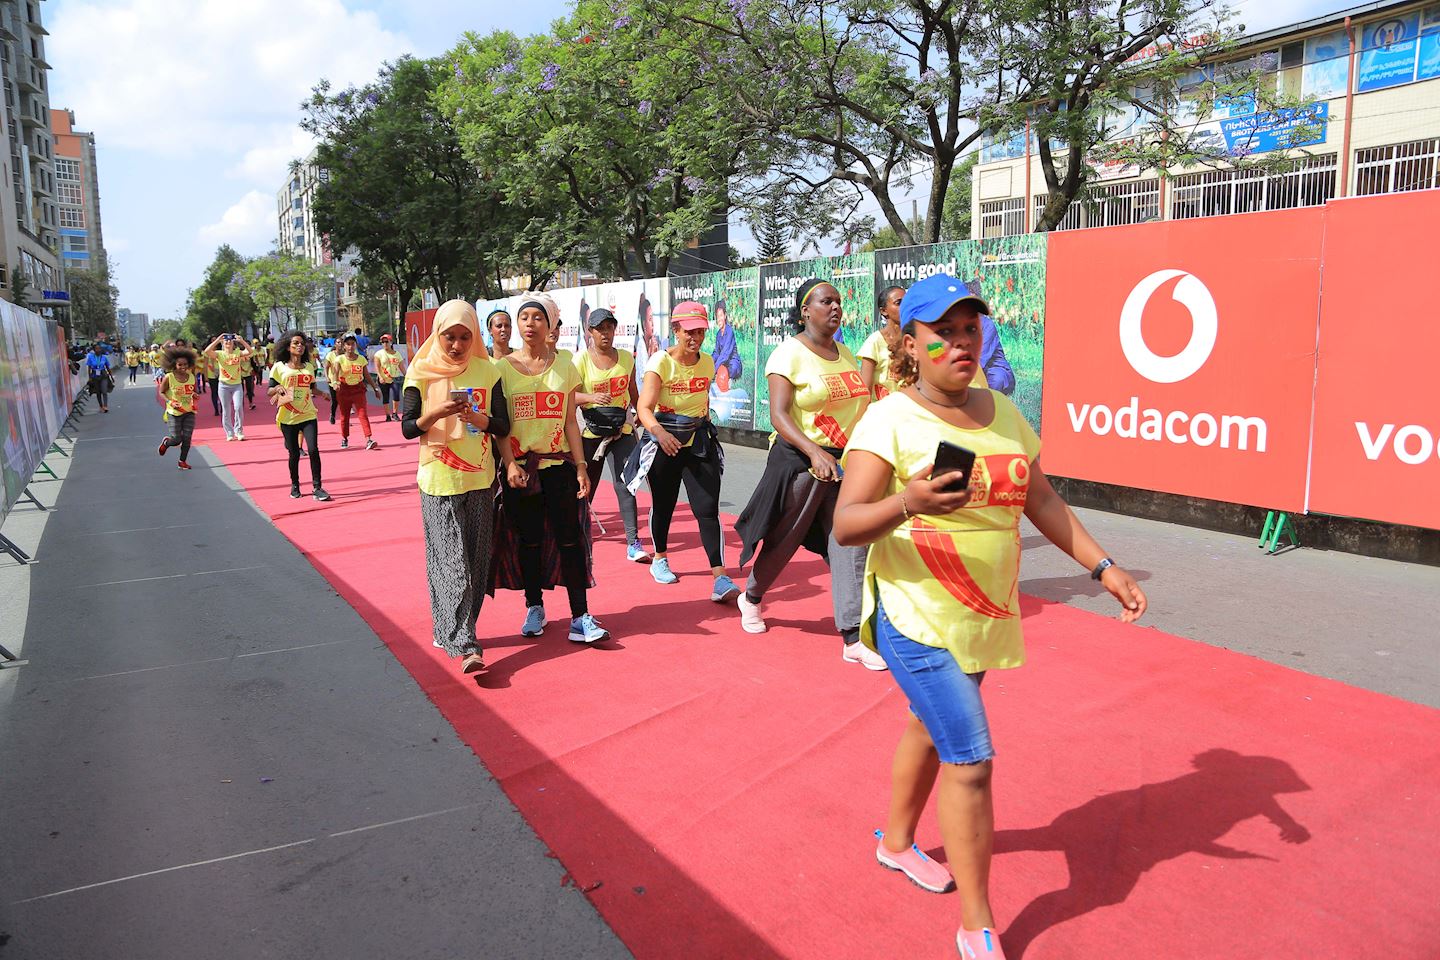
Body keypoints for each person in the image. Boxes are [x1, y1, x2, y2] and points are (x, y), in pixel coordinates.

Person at [832, 272, 1147, 960]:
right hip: (915, 618)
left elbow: (1042, 501)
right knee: (970, 760)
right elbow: (847, 523)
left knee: (928, 724)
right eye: (942, 334)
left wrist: (1103, 566)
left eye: (969, 329)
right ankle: (978, 924)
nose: (960, 344)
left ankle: (893, 843)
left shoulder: (1003, 411)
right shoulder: (888, 418)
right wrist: (908, 502)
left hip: (982, 615)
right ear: (908, 345)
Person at [734, 279, 884, 669]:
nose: (835, 307)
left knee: (848, 541)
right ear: (805, 310)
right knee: (785, 540)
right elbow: (779, 415)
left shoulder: (847, 354)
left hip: (844, 464)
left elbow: (860, 408)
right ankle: (751, 598)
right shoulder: (788, 354)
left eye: (838, 301)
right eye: (825, 301)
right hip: (800, 462)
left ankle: (852, 635)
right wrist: (814, 451)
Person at [400, 300, 509, 675]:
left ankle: (452, 625)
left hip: (480, 477)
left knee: (477, 561)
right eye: (450, 337)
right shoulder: (421, 370)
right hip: (438, 478)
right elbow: (408, 427)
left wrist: (474, 416)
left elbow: (502, 425)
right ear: (438, 334)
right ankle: (466, 643)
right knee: (451, 560)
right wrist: (437, 413)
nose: (457, 345)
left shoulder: (488, 370)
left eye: (465, 337)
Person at [495, 292, 609, 645]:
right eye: (525, 317)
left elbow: (571, 422)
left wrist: (580, 466)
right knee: (527, 542)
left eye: (538, 317)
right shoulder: (500, 369)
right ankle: (534, 606)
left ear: (551, 325)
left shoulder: (565, 365)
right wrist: (510, 463)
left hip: (559, 465)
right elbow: (499, 425)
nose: (531, 324)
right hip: (521, 471)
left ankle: (580, 616)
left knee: (570, 540)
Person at [626, 300, 739, 600]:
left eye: (700, 332)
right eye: (689, 331)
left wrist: (703, 423)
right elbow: (644, 407)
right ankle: (660, 558)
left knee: (707, 508)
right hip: (665, 443)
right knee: (664, 505)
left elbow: (703, 398)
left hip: (698, 442)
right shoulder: (660, 362)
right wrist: (660, 434)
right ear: (675, 330)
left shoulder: (707, 362)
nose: (695, 338)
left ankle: (720, 577)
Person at [573, 307, 645, 562]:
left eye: (609, 327)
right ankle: (579, 534)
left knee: (626, 483)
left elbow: (634, 392)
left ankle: (633, 542)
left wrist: (643, 413)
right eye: (599, 328)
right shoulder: (580, 360)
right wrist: (591, 397)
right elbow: (568, 397)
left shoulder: (627, 358)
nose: (605, 333)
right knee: (585, 485)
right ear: (589, 332)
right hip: (591, 433)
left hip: (621, 431)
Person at [267, 330, 331, 501]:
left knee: (313, 449)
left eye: (302, 343)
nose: (300, 346)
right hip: (287, 417)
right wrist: (277, 389)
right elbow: (269, 391)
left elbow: (311, 389)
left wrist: (322, 393)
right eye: (295, 343)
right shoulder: (279, 367)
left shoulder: (309, 367)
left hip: (308, 414)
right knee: (294, 453)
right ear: (288, 346)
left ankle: (317, 487)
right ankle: (295, 485)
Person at [332, 334, 381, 450]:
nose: (350, 347)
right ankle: (344, 437)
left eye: (352, 344)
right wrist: (335, 383)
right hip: (344, 390)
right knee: (345, 416)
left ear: (355, 345)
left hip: (358, 389)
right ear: (344, 346)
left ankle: (368, 439)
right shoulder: (340, 359)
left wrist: (375, 388)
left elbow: (367, 376)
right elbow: (335, 373)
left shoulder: (361, 359)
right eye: (348, 344)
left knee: (363, 414)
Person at [156, 345, 199, 469]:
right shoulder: (169, 377)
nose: (183, 367)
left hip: (189, 411)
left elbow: (194, 392)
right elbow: (162, 392)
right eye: (180, 365)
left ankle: (182, 461)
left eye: (185, 364)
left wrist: (195, 396)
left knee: (187, 438)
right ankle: (166, 443)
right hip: (174, 412)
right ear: (174, 365)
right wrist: (170, 402)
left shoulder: (191, 376)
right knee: (176, 439)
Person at [859, 285, 905, 400]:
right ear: (884, 311)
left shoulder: (914, 340)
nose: (905, 306)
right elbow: (865, 392)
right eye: (898, 303)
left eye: (907, 301)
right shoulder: (874, 342)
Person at [205, 333, 253, 441]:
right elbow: (207, 351)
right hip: (223, 386)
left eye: (230, 341)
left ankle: (239, 431)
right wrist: (217, 340)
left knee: (238, 407)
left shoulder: (237, 353)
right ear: (223, 343)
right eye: (226, 341)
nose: (228, 343)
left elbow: (250, 351)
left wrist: (242, 341)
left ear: (233, 343)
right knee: (226, 410)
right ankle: (229, 433)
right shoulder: (219, 354)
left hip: (237, 385)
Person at [373, 334, 407, 422]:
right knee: (386, 396)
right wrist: (380, 377)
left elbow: (401, 367)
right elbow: (377, 367)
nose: (385, 344)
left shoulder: (397, 354)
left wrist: (406, 376)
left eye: (386, 342)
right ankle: (387, 415)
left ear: (391, 342)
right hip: (384, 378)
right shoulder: (379, 354)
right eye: (383, 342)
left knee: (396, 394)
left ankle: (395, 413)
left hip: (395, 378)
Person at [85, 343, 113, 413]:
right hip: (95, 375)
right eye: (96, 349)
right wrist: (90, 377)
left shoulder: (104, 357)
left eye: (99, 348)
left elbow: (107, 367)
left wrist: (111, 376)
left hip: (103, 374)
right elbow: (89, 368)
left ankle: (105, 406)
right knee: (98, 392)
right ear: (94, 350)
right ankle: (101, 406)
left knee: (104, 390)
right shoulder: (90, 357)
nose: (98, 350)